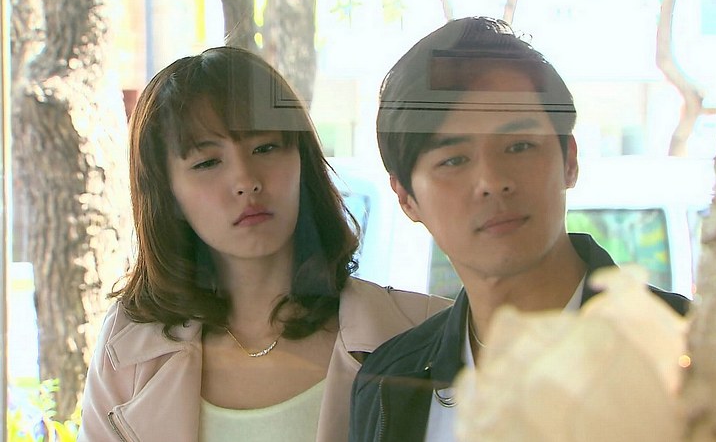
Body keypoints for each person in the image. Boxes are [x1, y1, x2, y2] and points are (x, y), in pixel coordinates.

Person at [78, 46, 450, 442]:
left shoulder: (424, 333)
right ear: (168, 195)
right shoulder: (128, 353)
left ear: (302, 161)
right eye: (207, 162)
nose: (246, 180)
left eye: (265, 148)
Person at [349, 17, 690, 441]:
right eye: (453, 160)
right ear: (406, 198)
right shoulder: (388, 380)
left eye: (519, 146)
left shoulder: (691, 349)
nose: (492, 182)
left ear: (569, 160)